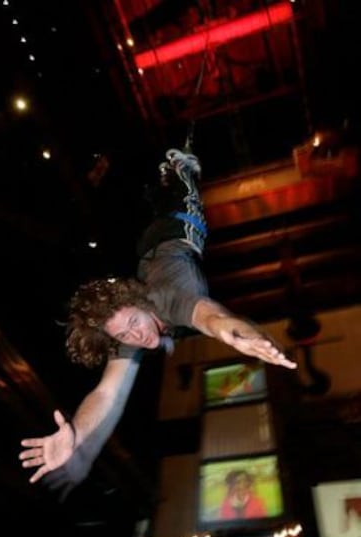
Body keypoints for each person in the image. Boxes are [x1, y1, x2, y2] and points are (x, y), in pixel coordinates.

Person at [19, 148, 296, 495]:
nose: (135, 336)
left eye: (134, 322)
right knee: (157, 203)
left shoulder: (170, 299)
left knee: (185, 196)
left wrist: (239, 335)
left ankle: (181, 167)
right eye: (124, 334)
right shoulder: (124, 332)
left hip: (176, 228)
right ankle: (160, 186)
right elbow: (106, 393)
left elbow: (212, 317)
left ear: (140, 303)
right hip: (147, 251)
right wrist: (79, 439)